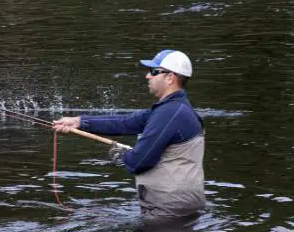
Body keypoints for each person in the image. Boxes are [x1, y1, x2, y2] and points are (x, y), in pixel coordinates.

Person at [52, 49, 205, 220]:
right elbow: (125, 122)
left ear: (170, 78)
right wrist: (79, 122)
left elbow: (139, 161)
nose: (148, 76)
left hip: (169, 211)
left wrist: (123, 155)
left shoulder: (170, 113)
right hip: (177, 206)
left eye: (154, 72)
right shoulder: (173, 109)